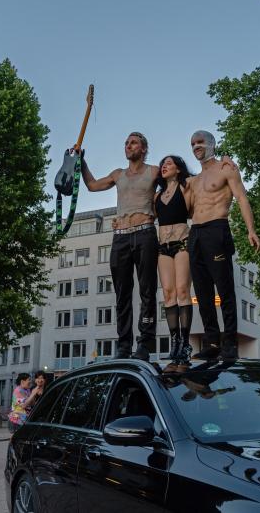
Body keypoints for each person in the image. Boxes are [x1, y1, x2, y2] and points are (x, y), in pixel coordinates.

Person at [79, 132, 160, 360]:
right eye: (126, 143)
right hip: (121, 237)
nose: (128, 146)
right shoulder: (118, 174)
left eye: (133, 142)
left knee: (147, 292)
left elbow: (175, 183)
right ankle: (124, 346)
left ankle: (144, 344)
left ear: (143, 148)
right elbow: (92, 186)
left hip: (145, 234)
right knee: (122, 295)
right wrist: (81, 161)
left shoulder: (154, 171)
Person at [185, 130, 260, 360]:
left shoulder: (226, 168)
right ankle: (211, 343)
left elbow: (242, 198)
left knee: (225, 289)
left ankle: (230, 344)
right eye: (192, 143)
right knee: (202, 291)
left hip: (217, 229)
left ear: (211, 144)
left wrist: (251, 230)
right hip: (195, 233)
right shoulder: (193, 180)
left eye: (200, 142)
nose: (196, 146)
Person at [154, 155, 195, 371]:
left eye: (168, 163)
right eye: (162, 164)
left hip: (182, 243)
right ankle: (175, 341)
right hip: (163, 246)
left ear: (178, 168)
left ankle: (186, 343)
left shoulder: (187, 187)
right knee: (168, 293)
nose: (164, 166)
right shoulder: (157, 196)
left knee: (182, 291)